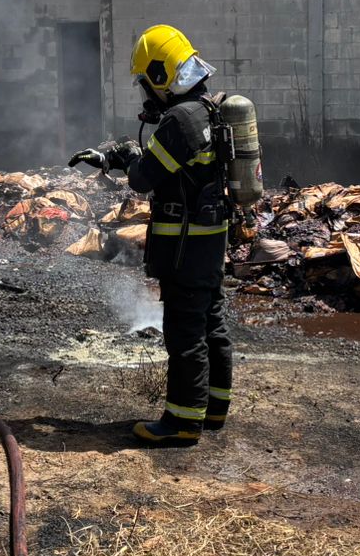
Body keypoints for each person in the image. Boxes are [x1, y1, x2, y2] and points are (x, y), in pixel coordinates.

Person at [70, 25, 236, 448]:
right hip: (211, 239)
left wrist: (126, 158)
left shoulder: (180, 119)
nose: (145, 91)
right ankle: (213, 409)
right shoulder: (210, 109)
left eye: (147, 81)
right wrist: (116, 155)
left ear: (162, 76)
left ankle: (181, 423)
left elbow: (145, 178)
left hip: (185, 243)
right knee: (210, 322)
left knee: (184, 332)